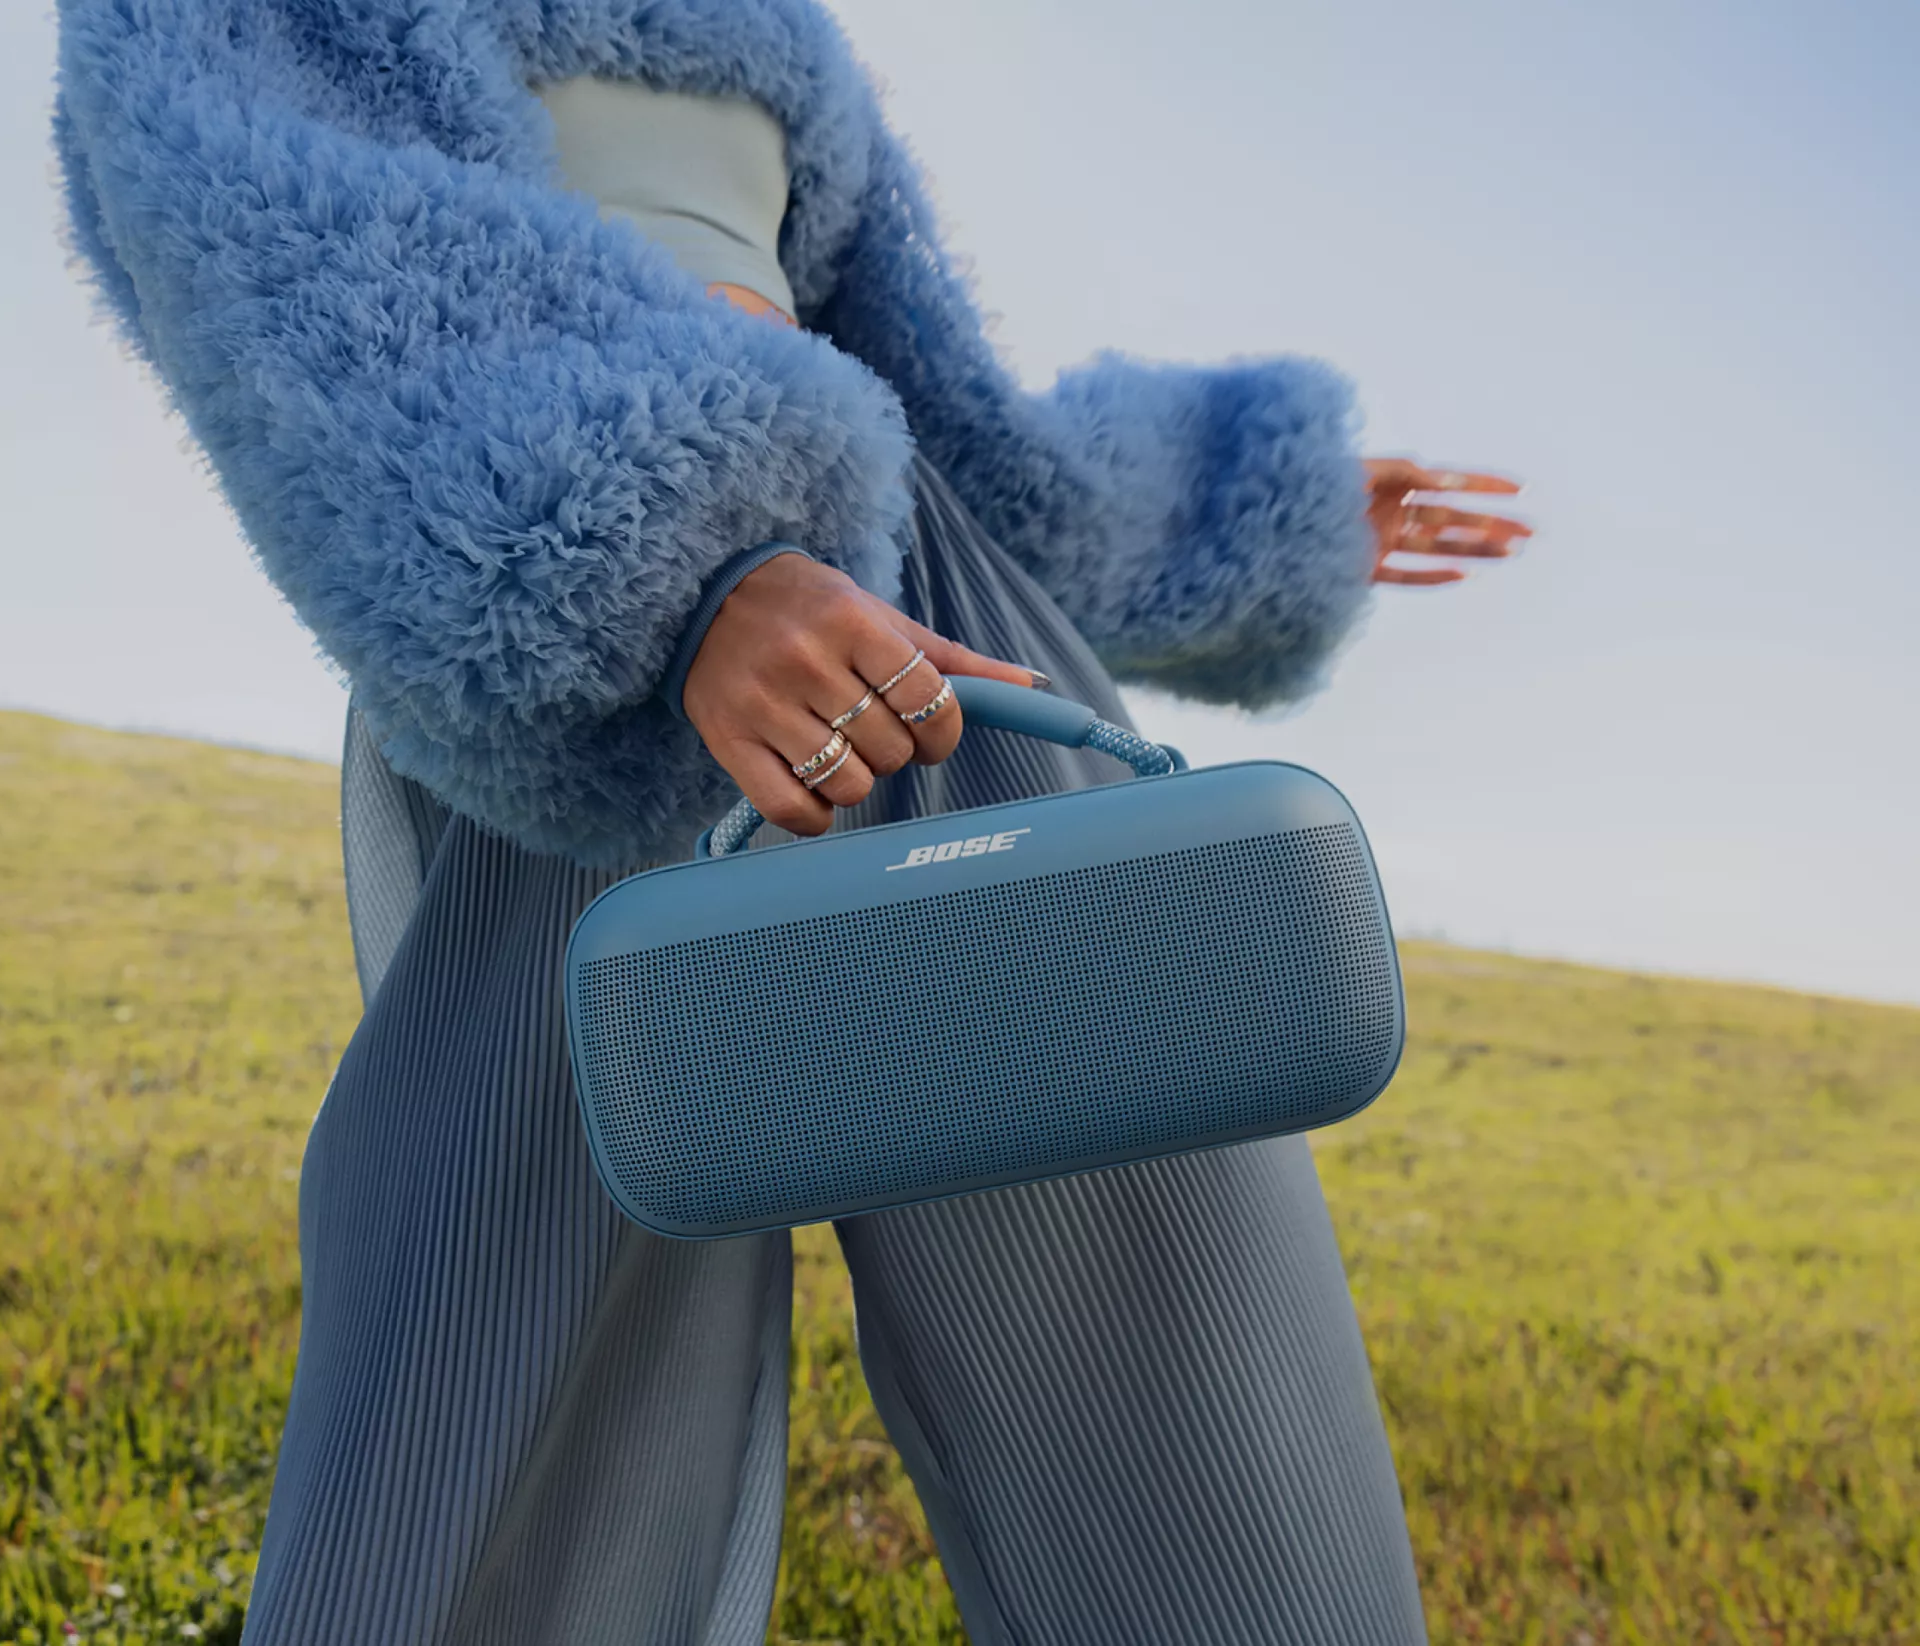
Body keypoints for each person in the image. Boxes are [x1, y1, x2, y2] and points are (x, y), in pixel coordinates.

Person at [53, 3, 1530, 1642]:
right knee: (504, 1371)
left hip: (926, 634)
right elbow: (285, 261)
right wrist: (677, 567)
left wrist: (1267, 504)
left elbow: (942, 415)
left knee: (1174, 1336)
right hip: (587, 662)